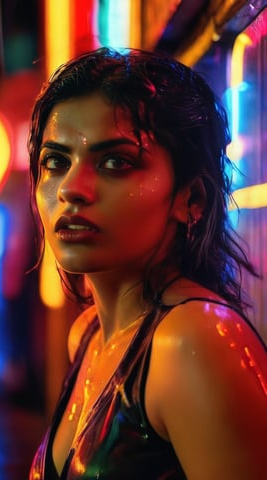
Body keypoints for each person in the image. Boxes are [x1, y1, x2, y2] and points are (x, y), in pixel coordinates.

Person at [28, 47, 267, 480]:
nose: (71, 189)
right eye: (56, 161)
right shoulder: (89, 334)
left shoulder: (193, 343)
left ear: (189, 198)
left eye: (116, 162)